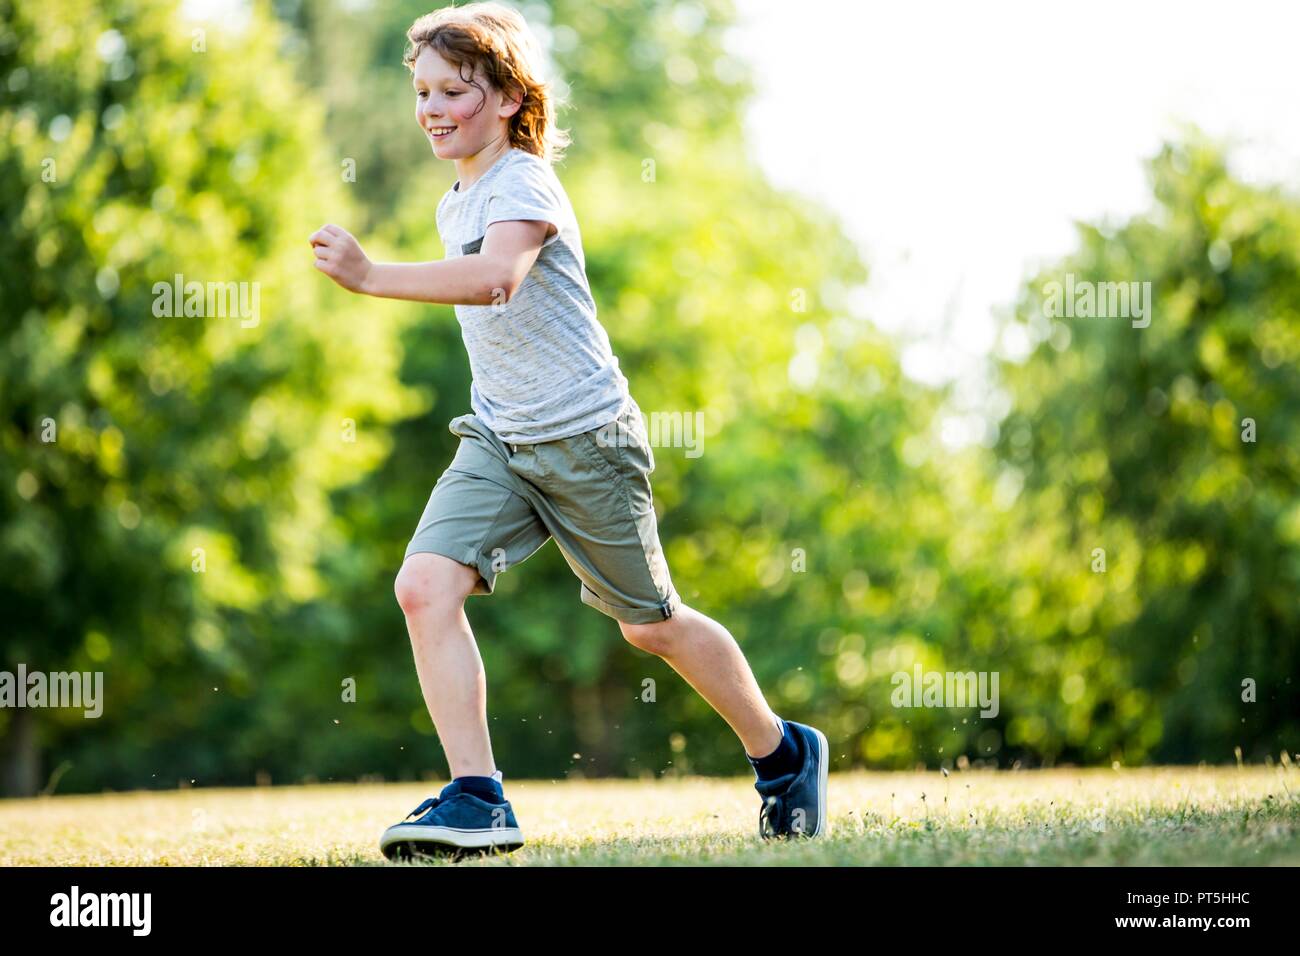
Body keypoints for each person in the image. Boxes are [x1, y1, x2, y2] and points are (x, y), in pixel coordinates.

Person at [308, 1, 827, 860]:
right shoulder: (456, 196)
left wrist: (369, 276)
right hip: (501, 442)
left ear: (509, 97)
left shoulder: (523, 182)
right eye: (423, 92)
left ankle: (782, 753)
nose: (432, 109)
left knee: (650, 626)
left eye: (453, 91)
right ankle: (479, 798)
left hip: (588, 441)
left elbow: (495, 281)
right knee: (422, 586)